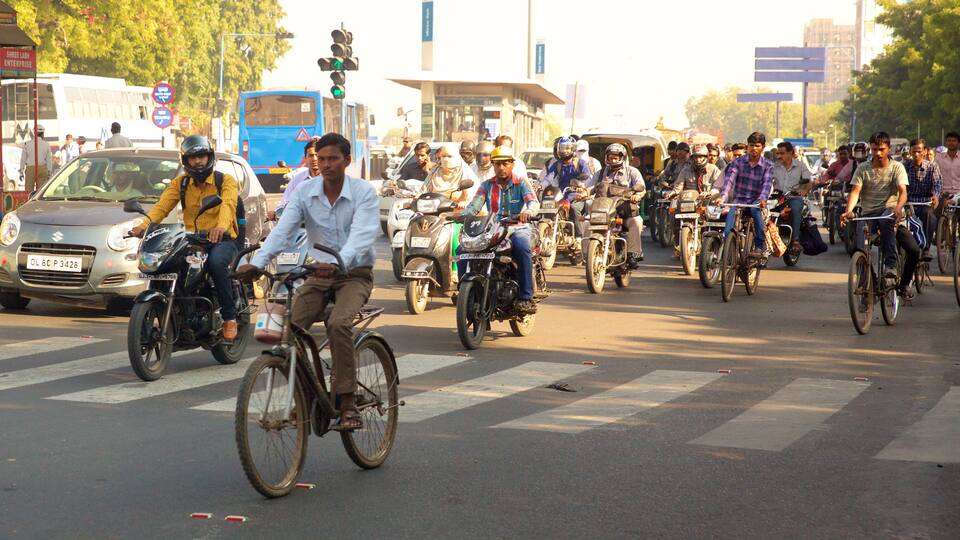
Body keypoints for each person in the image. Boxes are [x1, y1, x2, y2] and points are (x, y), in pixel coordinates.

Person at [236, 133, 379, 432]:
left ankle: (347, 399)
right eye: (321, 159)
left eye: (333, 159)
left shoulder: (363, 192)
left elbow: (363, 235)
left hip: (354, 274)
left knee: (338, 324)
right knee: (290, 330)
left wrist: (339, 262)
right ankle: (304, 396)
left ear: (346, 161)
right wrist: (258, 264)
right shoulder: (305, 192)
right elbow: (283, 232)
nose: (326, 165)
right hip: (317, 274)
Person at [128, 135, 241, 339]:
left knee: (216, 264)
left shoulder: (226, 181)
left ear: (210, 157)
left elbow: (228, 205)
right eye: (192, 157)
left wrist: (220, 227)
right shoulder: (180, 184)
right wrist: (143, 226)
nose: (198, 161)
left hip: (221, 240)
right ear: (185, 160)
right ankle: (180, 311)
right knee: (169, 264)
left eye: (202, 156)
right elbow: (162, 207)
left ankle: (229, 317)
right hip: (192, 240)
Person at [461, 146, 539, 313]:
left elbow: (533, 202)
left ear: (512, 164)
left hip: (517, 227)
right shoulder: (486, 185)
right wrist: (461, 215)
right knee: (463, 249)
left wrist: (528, 212)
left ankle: (526, 297)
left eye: (505, 164)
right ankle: (464, 291)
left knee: (521, 246)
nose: (501, 168)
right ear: (493, 165)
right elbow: (474, 206)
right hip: (493, 229)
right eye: (497, 164)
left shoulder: (521, 182)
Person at [842, 131, 920, 299]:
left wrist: (899, 207)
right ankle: (868, 287)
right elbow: (855, 191)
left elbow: (903, 192)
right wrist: (848, 211)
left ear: (889, 149)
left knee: (914, 251)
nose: (877, 153)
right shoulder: (863, 168)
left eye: (881, 149)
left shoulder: (897, 167)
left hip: (891, 214)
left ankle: (896, 274)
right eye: (874, 149)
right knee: (857, 249)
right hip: (869, 215)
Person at [718, 132, 775, 258]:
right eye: (751, 145)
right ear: (747, 146)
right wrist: (723, 197)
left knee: (756, 212)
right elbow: (729, 180)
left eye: (757, 145)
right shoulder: (738, 162)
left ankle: (759, 246)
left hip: (756, 201)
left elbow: (766, 184)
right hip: (739, 201)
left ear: (763, 147)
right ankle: (731, 253)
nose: (754, 148)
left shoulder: (768, 165)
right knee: (728, 230)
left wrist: (762, 199)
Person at [589, 143, 646, 266]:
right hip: (604, 212)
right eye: (610, 157)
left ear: (622, 158)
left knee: (637, 222)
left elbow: (642, 188)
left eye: (615, 157)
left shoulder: (632, 172)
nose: (613, 160)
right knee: (585, 222)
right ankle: (587, 254)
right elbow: (590, 187)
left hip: (625, 211)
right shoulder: (600, 173)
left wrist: (637, 195)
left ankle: (632, 253)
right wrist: (583, 192)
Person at [539, 136, 592, 251]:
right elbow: (548, 178)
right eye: (562, 148)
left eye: (567, 148)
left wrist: (581, 186)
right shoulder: (557, 164)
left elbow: (587, 178)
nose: (565, 151)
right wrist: (540, 185)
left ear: (573, 149)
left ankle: (578, 238)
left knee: (573, 208)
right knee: (548, 206)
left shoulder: (581, 163)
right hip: (562, 194)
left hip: (577, 196)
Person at [903, 138, 941, 260]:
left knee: (930, 216)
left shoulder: (932, 167)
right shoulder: (905, 166)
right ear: (910, 151)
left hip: (925, 201)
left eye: (919, 151)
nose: (916, 154)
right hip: (908, 203)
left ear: (925, 151)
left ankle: (926, 248)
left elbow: (937, 184)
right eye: (914, 151)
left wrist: (935, 195)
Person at [772, 141, 812, 249]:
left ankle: (795, 240)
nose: (779, 156)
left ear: (790, 153)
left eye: (782, 153)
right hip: (776, 198)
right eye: (778, 153)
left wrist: (804, 191)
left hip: (793, 197)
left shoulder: (800, 166)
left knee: (795, 209)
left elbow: (809, 181)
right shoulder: (774, 166)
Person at [270, 140, 320, 220]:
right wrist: (276, 213)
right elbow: (284, 203)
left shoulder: (333, 179)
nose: (314, 159)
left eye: (317, 155)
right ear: (306, 158)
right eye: (311, 155)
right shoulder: (297, 179)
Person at [20, 125, 53, 192]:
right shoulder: (46, 144)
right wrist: (49, 172)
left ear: (34, 133)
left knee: (28, 191)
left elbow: (23, 159)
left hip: (30, 168)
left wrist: (21, 171)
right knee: (41, 192)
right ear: (43, 134)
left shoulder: (27, 144)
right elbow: (49, 160)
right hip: (42, 168)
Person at [934, 131, 960, 203]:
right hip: (942, 194)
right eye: (949, 140)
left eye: (954, 141)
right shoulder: (938, 158)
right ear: (946, 142)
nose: (951, 143)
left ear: (958, 143)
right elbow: (935, 178)